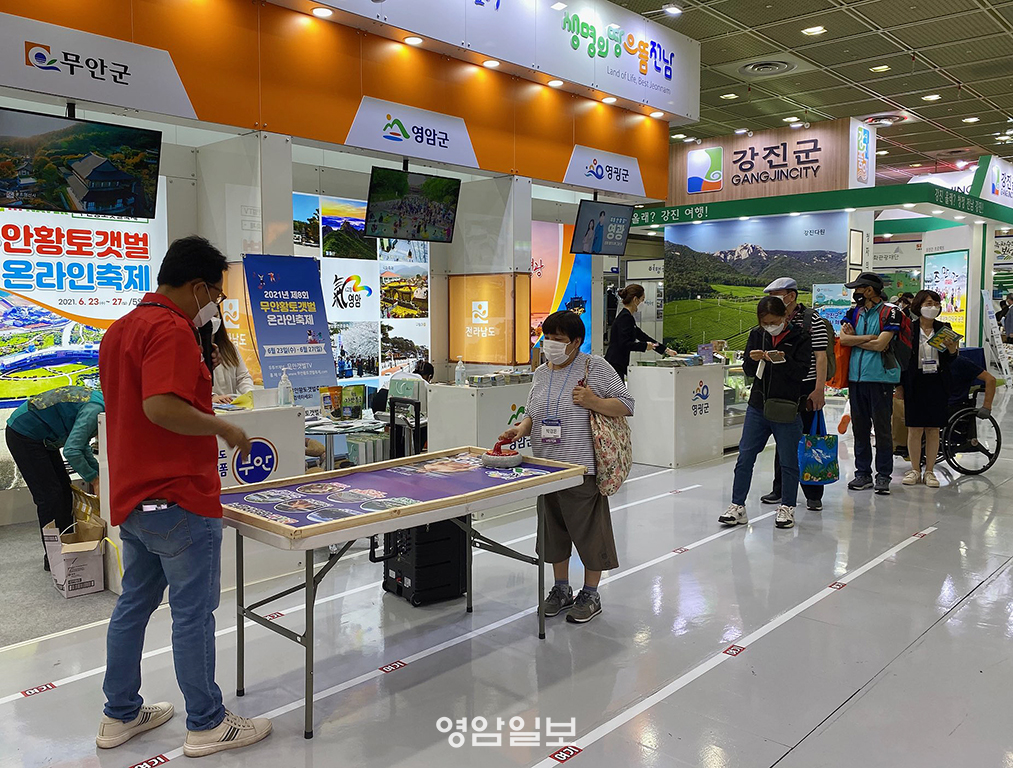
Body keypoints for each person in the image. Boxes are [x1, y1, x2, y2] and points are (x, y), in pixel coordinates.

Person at [97, 235, 271, 757]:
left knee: (134, 605)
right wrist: (223, 427)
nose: (214, 304)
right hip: (178, 498)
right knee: (193, 614)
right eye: (215, 294)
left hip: (135, 499)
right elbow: (159, 407)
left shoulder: (121, 330)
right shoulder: (170, 330)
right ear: (197, 287)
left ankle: (119, 714)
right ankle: (207, 722)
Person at [498, 310, 634, 624]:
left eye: (558, 339)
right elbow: (532, 413)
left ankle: (591, 594)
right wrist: (521, 429)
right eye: (547, 338)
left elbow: (627, 405)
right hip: (547, 469)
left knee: (590, 534)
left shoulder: (594, 367)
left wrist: (593, 401)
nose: (550, 344)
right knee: (553, 534)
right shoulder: (541, 373)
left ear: (576, 342)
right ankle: (561, 589)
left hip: (581, 469)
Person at [719, 297, 811, 530]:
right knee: (745, 456)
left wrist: (781, 359)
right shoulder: (757, 335)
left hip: (787, 407)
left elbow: (801, 372)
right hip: (758, 406)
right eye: (765, 323)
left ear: (784, 316)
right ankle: (737, 505)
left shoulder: (800, 336)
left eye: (774, 321)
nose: (770, 326)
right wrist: (752, 360)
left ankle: (787, 506)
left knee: (788, 460)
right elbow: (749, 372)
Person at [6, 386, 104, 570]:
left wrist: (99, 474)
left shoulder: (100, 405)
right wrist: (95, 479)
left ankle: (68, 549)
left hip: (42, 437)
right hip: (24, 434)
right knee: (50, 497)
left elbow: (81, 446)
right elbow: (72, 451)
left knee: (64, 490)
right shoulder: (96, 411)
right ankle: (54, 559)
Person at [758, 277, 829, 512]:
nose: (773, 299)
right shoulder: (774, 320)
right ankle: (780, 489)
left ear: (791, 296)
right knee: (782, 440)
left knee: (809, 439)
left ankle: (813, 493)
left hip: (806, 387)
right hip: (781, 388)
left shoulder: (812, 320)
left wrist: (819, 389)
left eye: (777, 294)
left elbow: (821, 356)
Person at [840, 272, 903, 495]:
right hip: (856, 379)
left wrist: (856, 340)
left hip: (880, 378)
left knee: (883, 429)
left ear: (869, 290)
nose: (855, 293)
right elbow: (844, 340)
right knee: (860, 429)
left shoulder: (891, 313)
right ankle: (863, 473)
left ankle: (883, 475)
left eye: (858, 288)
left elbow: (881, 345)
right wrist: (868, 338)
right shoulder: (853, 312)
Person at [899, 290, 958, 488]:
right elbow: (902, 358)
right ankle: (915, 469)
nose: (932, 307)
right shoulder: (909, 328)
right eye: (928, 303)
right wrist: (899, 385)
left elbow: (952, 359)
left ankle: (930, 471)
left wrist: (952, 349)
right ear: (919, 306)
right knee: (914, 428)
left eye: (936, 303)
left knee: (933, 429)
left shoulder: (944, 328)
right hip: (915, 381)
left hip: (937, 382)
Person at [604, 283, 674, 380]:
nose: (643, 303)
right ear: (635, 300)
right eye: (642, 299)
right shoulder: (625, 318)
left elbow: (642, 336)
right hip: (614, 365)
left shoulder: (628, 317)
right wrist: (645, 346)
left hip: (617, 364)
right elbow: (624, 344)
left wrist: (665, 350)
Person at [211, 320, 253, 404]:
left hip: (230, 406)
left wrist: (250, 392)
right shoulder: (194, 349)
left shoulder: (230, 348)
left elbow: (243, 377)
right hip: (206, 406)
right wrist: (211, 396)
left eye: (215, 316)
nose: (212, 319)